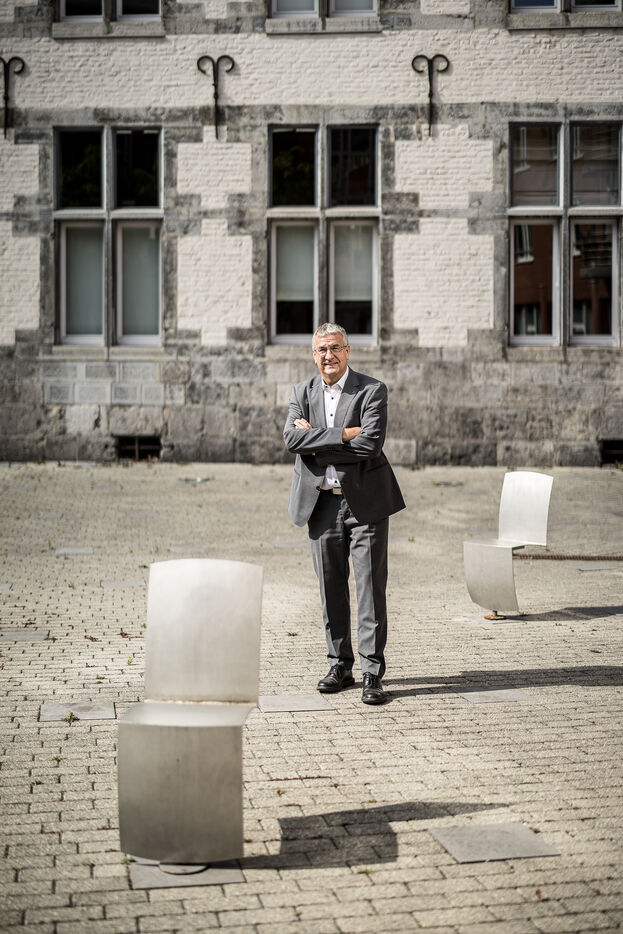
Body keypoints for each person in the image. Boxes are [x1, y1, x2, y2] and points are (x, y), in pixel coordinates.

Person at [283, 323, 405, 705]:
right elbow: (291, 439)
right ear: (313, 354)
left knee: (370, 589)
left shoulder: (372, 390)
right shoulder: (301, 393)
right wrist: (344, 434)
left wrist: (316, 440)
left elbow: (370, 445)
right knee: (330, 589)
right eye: (322, 350)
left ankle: (372, 673)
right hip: (321, 504)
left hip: (365, 503)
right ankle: (340, 665)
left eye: (335, 348)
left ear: (347, 351)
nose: (329, 356)